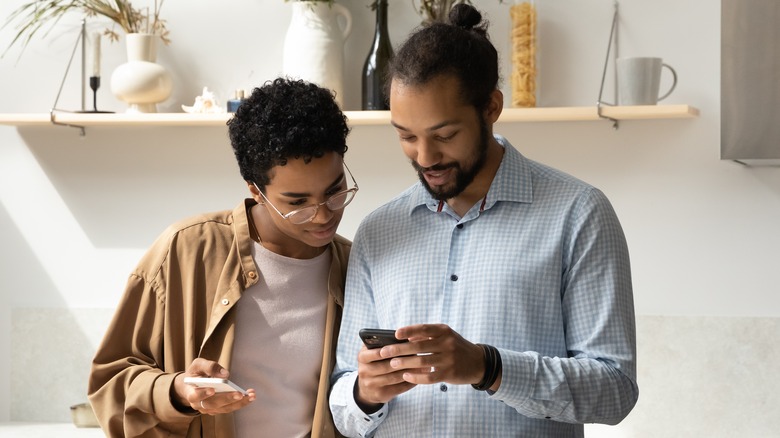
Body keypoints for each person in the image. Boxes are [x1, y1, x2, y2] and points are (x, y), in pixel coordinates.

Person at [329, 4, 638, 437]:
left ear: (491, 107)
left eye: (444, 135)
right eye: (406, 136)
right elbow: (343, 402)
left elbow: (615, 391)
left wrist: (488, 367)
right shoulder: (378, 231)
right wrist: (364, 393)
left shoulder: (578, 214)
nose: (424, 157)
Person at [88, 77, 356, 438]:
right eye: (297, 203)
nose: (323, 215)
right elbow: (110, 382)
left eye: (335, 190)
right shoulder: (185, 250)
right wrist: (179, 391)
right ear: (256, 192)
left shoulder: (356, 266)